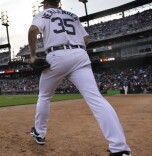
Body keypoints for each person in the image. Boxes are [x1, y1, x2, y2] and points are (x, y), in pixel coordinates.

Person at [28, 0, 131, 155]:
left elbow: (32, 30)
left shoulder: (43, 14)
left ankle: (40, 133)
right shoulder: (73, 15)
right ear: (59, 2)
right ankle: (119, 148)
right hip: (80, 54)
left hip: (56, 56)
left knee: (44, 96)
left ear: (46, 3)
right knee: (96, 98)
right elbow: (86, 40)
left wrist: (33, 56)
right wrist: (74, 49)